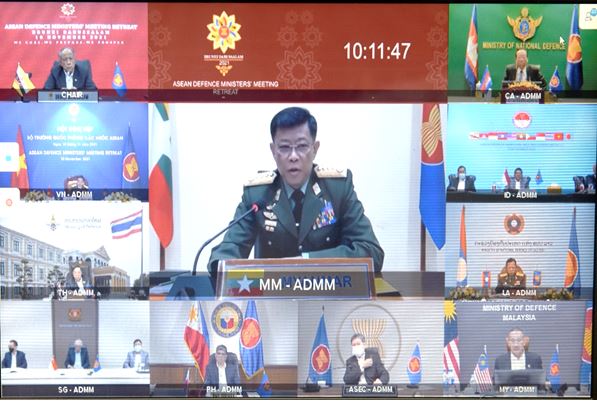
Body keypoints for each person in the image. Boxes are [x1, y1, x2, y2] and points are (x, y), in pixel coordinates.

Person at [208, 107, 384, 274]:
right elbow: (227, 252)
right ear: (273, 150)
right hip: (273, 292)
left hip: (328, 291)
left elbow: (371, 252)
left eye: (301, 146)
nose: (293, 156)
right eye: (284, 147)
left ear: (314, 149)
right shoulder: (257, 194)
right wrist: (221, 268)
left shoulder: (337, 189)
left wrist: (307, 262)